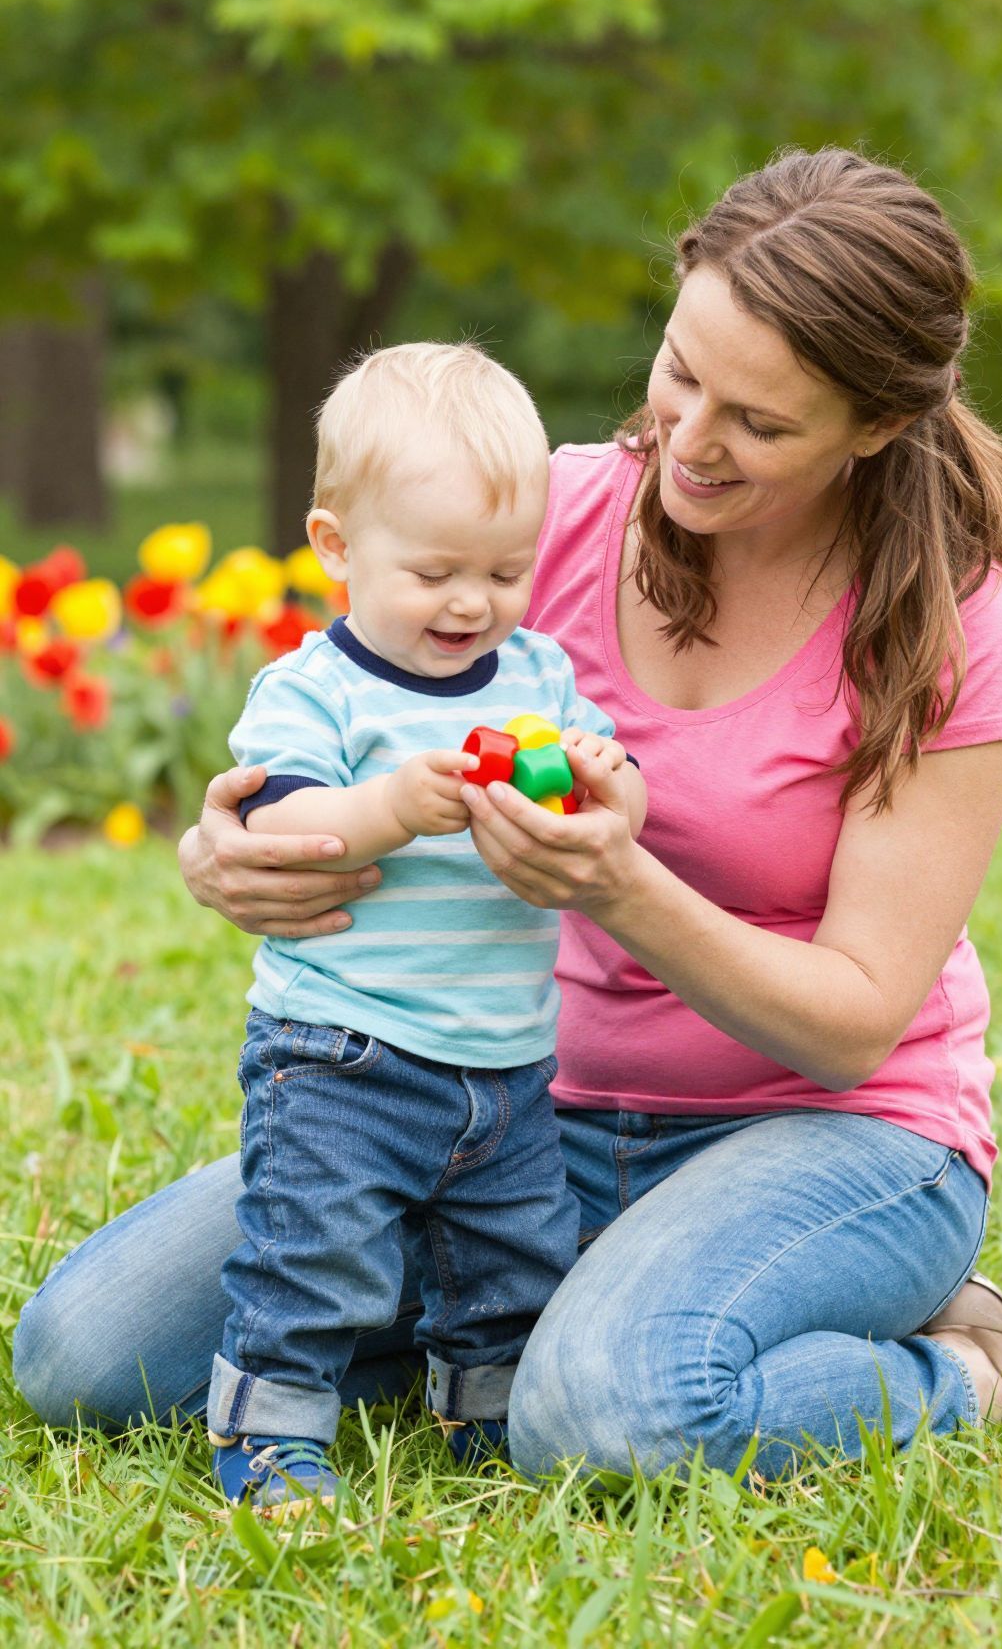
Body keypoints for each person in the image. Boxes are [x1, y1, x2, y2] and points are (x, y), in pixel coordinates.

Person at [14, 147, 1002, 1485]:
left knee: (603, 1418)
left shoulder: (947, 613)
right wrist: (233, 851)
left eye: (761, 422)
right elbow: (332, 732)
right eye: (682, 372)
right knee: (84, 1357)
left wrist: (619, 885)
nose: (689, 442)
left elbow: (856, 1015)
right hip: (501, 1112)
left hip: (836, 1133)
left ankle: (969, 1365)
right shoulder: (550, 523)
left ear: (872, 426)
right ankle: (561, 1288)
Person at [191, 341, 645, 1508]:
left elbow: (608, 777)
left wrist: (609, 785)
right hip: (344, 1053)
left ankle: (483, 1411)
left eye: (504, 571)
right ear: (336, 545)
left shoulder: (535, 675)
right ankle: (270, 1431)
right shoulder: (316, 689)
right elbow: (287, 822)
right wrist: (390, 805)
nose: (472, 602)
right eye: (437, 569)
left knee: (512, 1255)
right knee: (314, 1252)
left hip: (505, 1060)